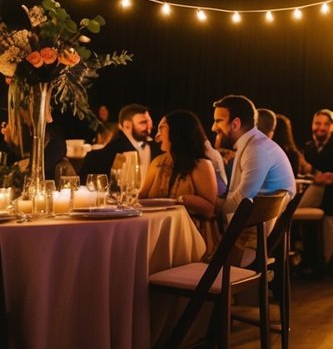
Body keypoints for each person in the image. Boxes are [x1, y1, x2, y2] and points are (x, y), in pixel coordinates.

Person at [139, 110, 219, 249]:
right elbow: (142, 199)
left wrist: (181, 200)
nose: (157, 137)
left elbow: (209, 209)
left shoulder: (202, 166)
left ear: (178, 132)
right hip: (156, 234)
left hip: (192, 239)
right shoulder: (158, 162)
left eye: (162, 129)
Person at [212, 94, 296, 219]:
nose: (213, 128)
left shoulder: (256, 149)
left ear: (235, 124)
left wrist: (210, 207)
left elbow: (240, 202)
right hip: (256, 226)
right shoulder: (252, 144)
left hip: (255, 233)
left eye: (218, 121)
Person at [301, 108, 333, 271]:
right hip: (309, 194)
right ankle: (307, 258)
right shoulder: (308, 147)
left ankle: (325, 260)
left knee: (299, 213)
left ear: (332, 127)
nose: (321, 128)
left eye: (325, 124)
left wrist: (326, 178)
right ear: (312, 125)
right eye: (317, 123)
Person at [80, 103, 156, 182]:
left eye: (149, 122)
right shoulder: (107, 153)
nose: (148, 127)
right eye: (143, 123)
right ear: (127, 125)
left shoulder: (155, 148)